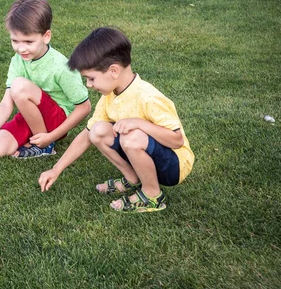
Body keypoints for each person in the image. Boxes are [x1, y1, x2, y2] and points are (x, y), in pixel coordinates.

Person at [38, 27, 194, 212]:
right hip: (149, 154)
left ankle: (153, 195)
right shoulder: (109, 96)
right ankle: (132, 178)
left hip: (174, 166)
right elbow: (87, 135)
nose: (89, 85)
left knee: (132, 136)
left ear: (113, 71)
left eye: (91, 78)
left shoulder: (148, 97)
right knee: (98, 131)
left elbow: (177, 141)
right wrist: (56, 169)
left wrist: (139, 123)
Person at [0, 0, 91, 159]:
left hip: (57, 122)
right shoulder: (17, 60)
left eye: (28, 41)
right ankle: (34, 137)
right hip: (30, 117)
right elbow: (6, 103)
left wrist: (51, 137)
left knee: (19, 86)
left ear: (46, 36)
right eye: (15, 41)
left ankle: (44, 145)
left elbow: (84, 107)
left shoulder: (61, 66)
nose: (21, 48)